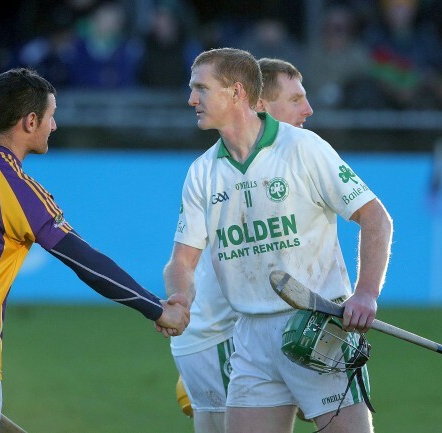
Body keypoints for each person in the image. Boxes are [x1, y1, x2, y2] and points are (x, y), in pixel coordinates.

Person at [0, 67, 189, 433]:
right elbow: (85, 261)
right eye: (51, 117)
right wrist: (156, 308)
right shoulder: (16, 187)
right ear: (30, 121)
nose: (54, 126)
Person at [164, 48, 393, 433]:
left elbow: (375, 218)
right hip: (250, 336)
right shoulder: (202, 172)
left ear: (236, 93)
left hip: (318, 325)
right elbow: (181, 263)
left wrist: (366, 292)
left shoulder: (303, 148)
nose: (191, 99)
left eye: (201, 89)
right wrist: (182, 298)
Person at [170, 57, 314, 433]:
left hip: (224, 339)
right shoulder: (220, 168)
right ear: (260, 104)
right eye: (296, 99)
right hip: (224, 338)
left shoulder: (283, 159)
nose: (307, 110)